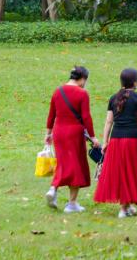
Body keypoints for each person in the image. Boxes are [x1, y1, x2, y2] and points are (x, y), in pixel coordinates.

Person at [94, 68, 137, 217]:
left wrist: (105, 141)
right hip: (132, 140)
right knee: (131, 171)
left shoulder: (113, 98)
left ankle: (127, 205)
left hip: (116, 140)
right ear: (134, 82)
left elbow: (108, 121)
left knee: (122, 172)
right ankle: (123, 208)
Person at [44, 65, 101, 213]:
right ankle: (72, 203)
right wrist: (93, 136)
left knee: (63, 162)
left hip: (58, 132)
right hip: (74, 133)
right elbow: (86, 117)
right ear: (82, 79)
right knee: (76, 166)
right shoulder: (82, 94)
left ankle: (53, 189)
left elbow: (51, 115)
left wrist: (48, 133)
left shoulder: (58, 91)